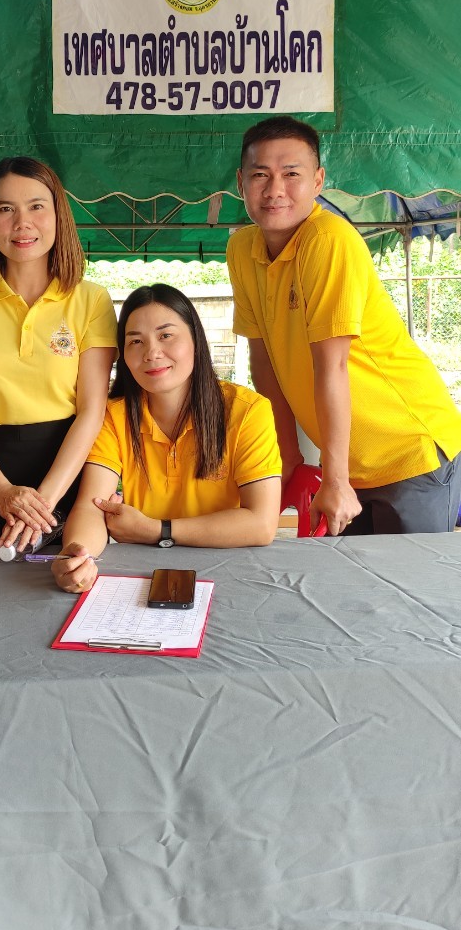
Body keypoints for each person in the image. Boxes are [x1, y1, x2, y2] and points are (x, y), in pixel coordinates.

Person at [227, 114, 461, 537]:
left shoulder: (328, 239)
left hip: (408, 450)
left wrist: (334, 479)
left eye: (291, 174)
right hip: (348, 463)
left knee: (404, 578)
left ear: (318, 181)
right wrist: (288, 456)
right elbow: (263, 363)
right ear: (241, 183)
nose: (275, 190)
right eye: (260, 175)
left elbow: (331, 365)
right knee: (349, 578)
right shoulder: (242, 249)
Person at [53, 284, 281, 594]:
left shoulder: (248, 411)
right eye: (136, 341)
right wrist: (79, 556)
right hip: (144, 575)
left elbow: (261, 524)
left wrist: (157, 530)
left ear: (196, 340)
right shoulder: (113, 416)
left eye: (166, 335)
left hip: (232, 570)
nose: (152, 353)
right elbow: (91, 506)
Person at [0, 156, 117, 552]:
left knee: (69, 577)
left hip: (66, 474)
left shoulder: (91, 299)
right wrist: (0, 490)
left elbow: (92, 411)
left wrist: (43, 503)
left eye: (36, 206)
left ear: (59, 215)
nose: (22, 223)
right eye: (5, 209)